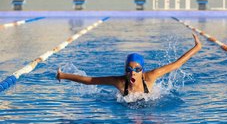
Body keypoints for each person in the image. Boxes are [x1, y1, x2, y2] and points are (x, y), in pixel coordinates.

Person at [56, 33, 202, 96]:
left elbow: (176, 65)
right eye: (129, 69)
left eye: (137, 69)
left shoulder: (150, 77)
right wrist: (62, 75)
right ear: (125, 70)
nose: (133, 72)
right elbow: (90, 81)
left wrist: (196, 48)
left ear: (142, 70)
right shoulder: (119, 82)